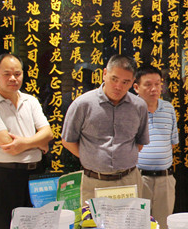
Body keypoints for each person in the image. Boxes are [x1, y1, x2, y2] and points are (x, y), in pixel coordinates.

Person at [0, 53, 54, 229]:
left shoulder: (31, 101)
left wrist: (25, 143)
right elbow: (8, 144)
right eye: (7, 74)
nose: (13, 78)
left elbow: (48, 134)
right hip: (4, 177)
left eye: (17, 74)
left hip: (35, 176)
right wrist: (38, 143)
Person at [62, 55, 149, 206]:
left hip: (129, 180)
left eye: (125, 82)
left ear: (132, 82)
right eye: (114, 79)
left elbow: (140, 143)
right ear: (104, 74)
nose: (118, 86)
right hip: (94, 181)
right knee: (93, 221)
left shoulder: (139, 106)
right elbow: (68, 141)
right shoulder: (83, 104)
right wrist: (91, 157)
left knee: (130, 221)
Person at [133, 65, 179, 229]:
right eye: (148, 84)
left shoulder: (168, 109)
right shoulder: (130, 109)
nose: (154, 89)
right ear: (136, 87)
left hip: (165, 179)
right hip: (139, 178)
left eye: (158, 84)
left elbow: (173, 142)